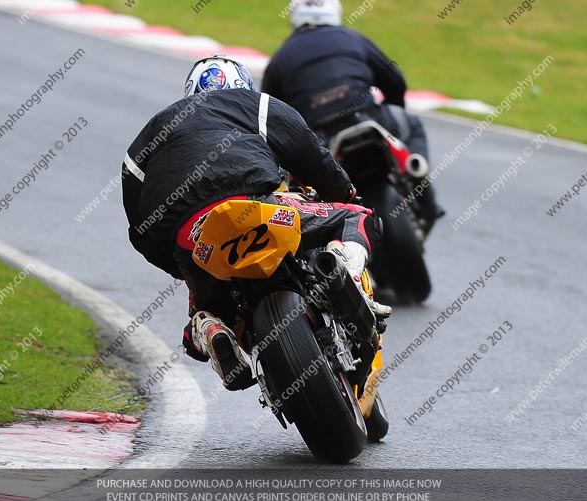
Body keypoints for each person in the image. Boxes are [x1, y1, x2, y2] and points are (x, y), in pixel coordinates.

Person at [121, 55, 391, 391]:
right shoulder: (255, 103)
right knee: (356, 216)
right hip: (256, 205)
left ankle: (211, 329)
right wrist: (344, 193)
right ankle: (343, 272)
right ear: (243, 86)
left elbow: (140, 229)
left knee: (205, 311)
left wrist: (182, 264)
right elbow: (309, 152)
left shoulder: (146, 137)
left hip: (193, 237)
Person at [262, 0, 444, 234]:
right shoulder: (353, 38)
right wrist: (391, 116)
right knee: (411, 123)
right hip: (368, 118)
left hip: (319, 138)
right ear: (334, 11)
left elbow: (271, 118)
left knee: (304, 188)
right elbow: (395, 83)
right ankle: (424, 194)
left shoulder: (279, 59)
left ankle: (326, 238)